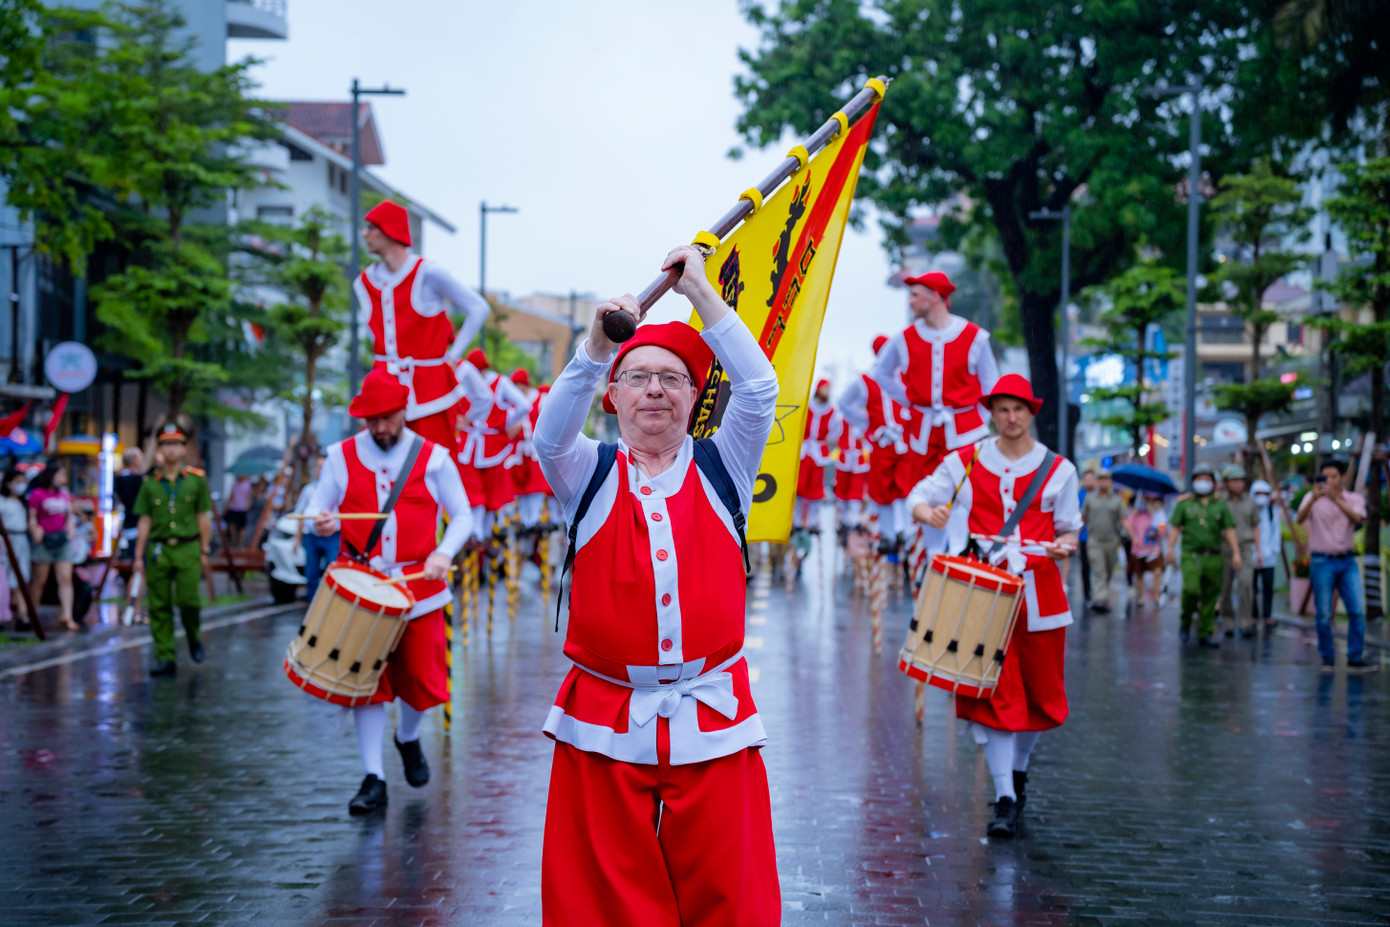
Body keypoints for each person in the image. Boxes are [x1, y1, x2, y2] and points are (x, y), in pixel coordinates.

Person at [533, 245, 780, 924]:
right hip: (604, 719)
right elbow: (548, 436)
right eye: (636, 376)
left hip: (713, 715)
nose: (653, 390)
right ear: (612, 396)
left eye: (672, 379)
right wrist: (590, 347)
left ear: (695, 397)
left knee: (730, 895)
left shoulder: (724, 464)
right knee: (602, 900)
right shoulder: (588, 473)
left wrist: (703, 294)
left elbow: (760, 390)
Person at [909, 373, 1080, 840]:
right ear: (992, 413)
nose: (1011, 417)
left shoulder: (1059, 470)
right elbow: (919, 497)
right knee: (994, 697)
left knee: (1040, 699)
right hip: (983, 598)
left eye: (1019, 409)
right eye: (1002, 409)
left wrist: (1065, 544)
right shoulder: (965, 460)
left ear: (1031, 412)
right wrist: (930, 513)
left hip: (1041, 598)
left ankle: (1018, 774)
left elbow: (1069, 529)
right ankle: (1004, 795)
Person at [306, 367, 473, 814]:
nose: (379, 428)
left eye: (387, 418)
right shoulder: (339, 456)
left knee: (422, 681)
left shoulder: (434, 457)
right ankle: (373, 777)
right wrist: (321, 518)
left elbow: (462, 516)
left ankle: (408, 736)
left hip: (420, 586)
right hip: (363, 585)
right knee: (366, 683)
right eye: (371, 420)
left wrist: (443, 553)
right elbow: (317, 506)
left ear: (404, 412)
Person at [356, 199, 491, 454]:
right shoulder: (364, 282)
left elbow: (478, 308)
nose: (365, 234)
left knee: (433, 465)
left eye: (370, 227)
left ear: (389, 230)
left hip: (429, 392)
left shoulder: (427, 272)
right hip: (383, 388)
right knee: (378, 465)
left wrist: (452, 356)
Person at [872, 271, 1000, 512]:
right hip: (922, 432)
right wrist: (910, 400)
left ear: (934, 296)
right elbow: (882, 373)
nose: (910, 301)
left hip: (966, 431)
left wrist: (979, 419)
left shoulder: (975, 337)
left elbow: (991, 385)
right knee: (924, 493)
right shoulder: (904, 338)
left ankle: (961, 549)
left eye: (915, 295)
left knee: (968, 493)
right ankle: (932, 550)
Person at [132, 425, 214, 675]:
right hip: (159, 548)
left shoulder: (196, 480)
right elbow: (144, 520)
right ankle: (165, 656)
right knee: (159, 605)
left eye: (176, 444)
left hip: (188, 547)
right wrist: (137, 556)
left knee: (189, 601)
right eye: (166, 444)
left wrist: (204, 550)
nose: (171, 448)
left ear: (183, 448)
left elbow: (203, 517)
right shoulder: (149, 484)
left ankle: (193, 637)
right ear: (159, 449)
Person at [838, 334, 916, 547]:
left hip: (904, 439)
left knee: (904, 484)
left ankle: (904, 529)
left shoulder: (905, 375)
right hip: (882, 442)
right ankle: (889, 532)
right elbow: (844, 403)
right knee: (882, 488)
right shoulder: (866, 379)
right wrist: (867, 422)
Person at [1296, 458, 1374, 671]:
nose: (1329, 480)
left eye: (1333, 476)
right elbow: (1300, 519)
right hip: (1322, 562)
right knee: (1322, 613)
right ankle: (1328, 657)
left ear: (1342, 478)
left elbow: (1359, 518)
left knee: (1357, 610)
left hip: (1347, 561)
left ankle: (1355, 657)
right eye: (1325, 477)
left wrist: (1336, 500)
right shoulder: (1312, 498)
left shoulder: (1353, 498)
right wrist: (1313, 497)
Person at [455, 348, 530, 540]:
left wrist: (506, 423)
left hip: (475, 442)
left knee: (478, 488)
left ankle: (479, 532)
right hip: (486, 442)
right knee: (482, 489)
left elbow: (524, 405)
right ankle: (481, 532)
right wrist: (507, 422)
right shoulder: (498, 381)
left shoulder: (464, 380)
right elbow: (524, 405)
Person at [1167, 464, 1240, 648]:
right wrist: (1169, 549)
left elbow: (1230, 529)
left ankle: (1205, 632)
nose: (1202, 483)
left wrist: (1237, 553)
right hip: (1191, 554)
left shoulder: (1220, 506)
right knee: (1191, 590)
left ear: (1213, 483)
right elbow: (1175, 528)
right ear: (1193, 482)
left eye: (1206, 479)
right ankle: (1185, 621)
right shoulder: (1184, 504)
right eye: (1199, 479)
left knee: (1210, 595)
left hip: (1214, 556)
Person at [27, 462, 79, 632]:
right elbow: (32, 518)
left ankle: (67, 615)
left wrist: (71, 530)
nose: (63, 479)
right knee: (39, 581)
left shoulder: (64, 494)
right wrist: (36, 529)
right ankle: (31, 614)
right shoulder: (37, 494)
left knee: (65, 579)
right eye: (61, 475)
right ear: (51, 476)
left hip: (62, 541)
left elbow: (69, 516)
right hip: (44, 542)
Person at [507, 369, 553, 533]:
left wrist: (526, 429)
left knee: (536, 484)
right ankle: (524, 520)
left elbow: (550, 421)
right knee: (520, 485)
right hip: (519, 450)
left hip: (535, 449)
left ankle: (535, 519)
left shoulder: (541, 399)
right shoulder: (513, 401)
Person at [1218, 465, 1261, 638]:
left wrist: (1259, 551)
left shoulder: (1249, 501)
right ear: (1227, 482)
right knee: (1225, 586)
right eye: (1234, 481)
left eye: (1241, 481)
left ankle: (1245, 621)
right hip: (1224, 547)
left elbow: (1255, 526)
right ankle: (1227, 621)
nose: (1238, 484)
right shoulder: (1219, 501)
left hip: (1244, 547)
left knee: (1246, 583)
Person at [1080, 470, 1127, 613]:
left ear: (1110, 482)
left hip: (1111, 541)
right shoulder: (1090, 498)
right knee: (1099, 570)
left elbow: (1124, 520)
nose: (1103, 482)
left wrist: (1135, 537)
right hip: (1094, 541)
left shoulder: (1116, 499)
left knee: (1107, 571)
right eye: (1101, 479)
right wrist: (1073, 536)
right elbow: (1083, 519)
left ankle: (1101, 596)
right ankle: (1100, 601)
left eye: (1106, 480)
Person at [794, 378, 837, 535]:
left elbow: (833, 433)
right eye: (825, 389)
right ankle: (797, 521)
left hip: (818, 453)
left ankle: (813, 522)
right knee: (799, 488)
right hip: (804, 452)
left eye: (828, 390)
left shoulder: (831, 412)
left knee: (816, 491)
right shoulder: (807, 406)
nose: (827, 392)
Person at [292, 455, 337, 599]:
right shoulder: (309, 490)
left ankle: (330, 602)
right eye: (318, 466)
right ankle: (312, 604)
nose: (321, 470)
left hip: (332, 536)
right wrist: (297, 538)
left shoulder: (337, 488)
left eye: (324, 466)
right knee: (311, 571)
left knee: (333, 571)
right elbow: (302, 514)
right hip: (312, 536)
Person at [1, 468, 31, 626]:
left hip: (21, 540)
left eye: (23, 482)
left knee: (21, 578)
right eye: (17, 482)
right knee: (3, 578)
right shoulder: (2, 501)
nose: (21, 485)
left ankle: (23, 615)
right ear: (8, 484)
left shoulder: (24, 502)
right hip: (5, 541)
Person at [1126, 493, 1167, 609]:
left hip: (1154, 549)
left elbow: (1163, 529)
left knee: (1157, 571)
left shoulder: (1155, 514)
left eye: (1146, 500)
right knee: (1139, 573)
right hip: (1138, 549)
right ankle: (1140, 597)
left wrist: (1158, 532)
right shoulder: (1135, 514)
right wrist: (1133, 514)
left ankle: (1157, 596)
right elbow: (1128, 526)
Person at [1251, 479, 1281, 631]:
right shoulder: (1249, 510)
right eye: (1258, 494)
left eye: (1264, 494)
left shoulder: (1271, 510)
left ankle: (1267, 614)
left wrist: (1274, 550)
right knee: (1252, 587)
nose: (1261, 497)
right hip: (1251, 555)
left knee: (1268, 587)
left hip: (1268, 557)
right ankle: (1253, 615)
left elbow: (1276, 531)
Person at [113, 447, 146, 559]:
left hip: (128, 525)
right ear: (134, 461)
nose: (142, 461)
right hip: (137, 526)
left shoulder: (119, 479)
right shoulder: (136, 479)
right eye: (140, 458)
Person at [1077, 469, 1096, 606]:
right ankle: (1087, 594)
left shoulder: (1100, 495)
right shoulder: (1079, 496)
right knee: (1086, 567)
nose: (1089, 482)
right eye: (1087, 479)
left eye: (1091, 479)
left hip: (1098, 536)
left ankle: (1098, 592)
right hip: (1084, 537)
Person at [223, 473, 253, 547]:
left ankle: (240, 543)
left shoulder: (248, 485)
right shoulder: (235, 484)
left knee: (242, 527)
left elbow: (249, 497)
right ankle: (234, 539)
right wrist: (226, 507)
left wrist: (248, 506)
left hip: (242, 508)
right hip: (233, 507)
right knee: (231, 524)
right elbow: (231, 496)